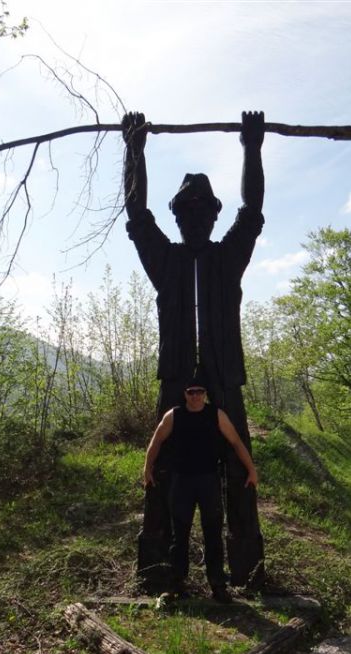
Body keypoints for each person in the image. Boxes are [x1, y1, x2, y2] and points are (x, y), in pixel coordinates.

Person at [123, 110, 267, 590]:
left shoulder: (228, 258)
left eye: (203, 212)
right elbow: (136, 216)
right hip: (176, 377)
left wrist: (252, 147)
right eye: (187, 212)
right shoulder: (166, 260)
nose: (195, 218)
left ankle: (248, 569)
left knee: (241, 476)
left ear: (213, 215)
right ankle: (159, 570)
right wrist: (134, 150)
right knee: (163, 473)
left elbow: (252, 211)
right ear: (178, 217)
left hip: (226, 380)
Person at [142, 369, 258, 603]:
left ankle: (217, 585)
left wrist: (251, 469)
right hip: (182, 481)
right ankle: (176, 585)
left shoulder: (216, 415)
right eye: (191, 392)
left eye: (199, 392)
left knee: (213, 533)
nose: (195, 396)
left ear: (205, 394)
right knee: (180, 535)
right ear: (185, 394)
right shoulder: (174, 416)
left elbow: (236, 441)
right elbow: (156, 441)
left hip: (208, 481)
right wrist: (147, 467)